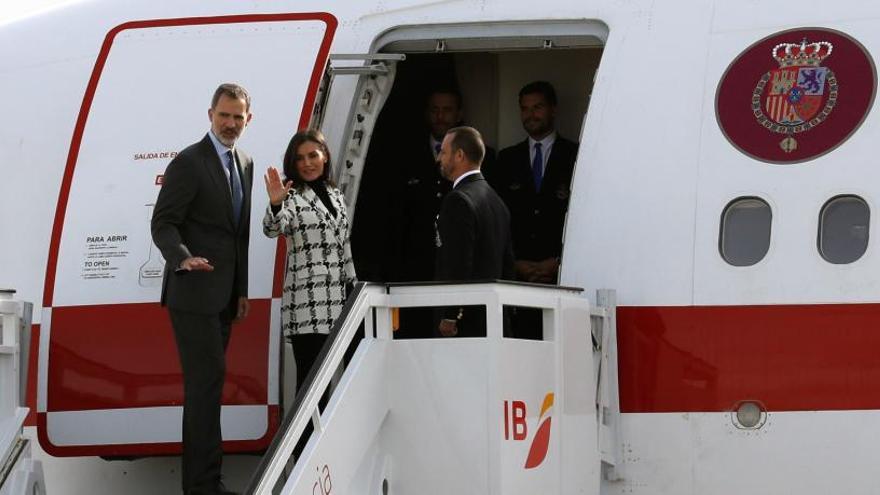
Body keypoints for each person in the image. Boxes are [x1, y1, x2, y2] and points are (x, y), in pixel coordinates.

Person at [151, 83, 253, 495]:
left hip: (224, 296)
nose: (230, 124)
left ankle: (204, 482)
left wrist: (240, 290)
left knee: (208, 386)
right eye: (223, 115)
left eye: (237, 117)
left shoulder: (244, 162)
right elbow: (163, 222)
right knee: (206, 384)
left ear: (249, 119)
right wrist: (181, 257)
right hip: (192, 293)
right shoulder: (189, 162)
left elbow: (238, 235)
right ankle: (203, 485)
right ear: (210, 114)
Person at [262, 129, 356, 393]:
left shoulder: (335, 194)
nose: (307, 163)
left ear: (324, 156)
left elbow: (344, 247)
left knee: (340, 379)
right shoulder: (291, 195)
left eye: (313, 155)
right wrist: (276, 204)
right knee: (312, 384)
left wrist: (353, 286)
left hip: (341, 299)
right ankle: (306, 436)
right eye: (300, 158)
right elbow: (272, 228)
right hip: (307, 305)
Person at [486, 81, 578, 340]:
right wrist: (514, 263)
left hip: (562, 274)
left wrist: (558, 261)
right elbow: (498, 219)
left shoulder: (575, 155)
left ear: (553, 109)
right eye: (525, 109)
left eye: (537, 107)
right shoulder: (506, 159)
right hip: (519, 277)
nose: (530, 115)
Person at [434, 126, 514, 337]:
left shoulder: (458, 200)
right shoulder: (497, 201)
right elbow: (508, 267)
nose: (438, 158)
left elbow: (458, 264)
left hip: (465, 325)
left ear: (459, 155)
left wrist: (451, 315)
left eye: (443, 151)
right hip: (494, 320)